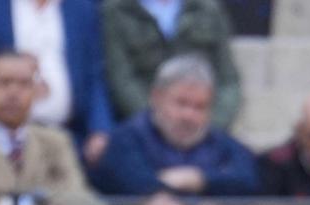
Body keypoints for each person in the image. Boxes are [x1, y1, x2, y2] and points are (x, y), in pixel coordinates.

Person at [91, 55, 259, 205]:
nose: (189, 116)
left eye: (199, 107)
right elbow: (142, 188)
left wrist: (197, 179)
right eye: (181, 103)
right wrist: (200, 203)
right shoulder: (125, 140)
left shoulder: (221, 144)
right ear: (156, 97)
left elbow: (249, 181)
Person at [0, 0, 113, 163]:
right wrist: (6, 66)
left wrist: (99, 128)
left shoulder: (81, 7)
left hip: (69, 138)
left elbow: (93, 73)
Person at [0, 49, 85, 205]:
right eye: (4, 83)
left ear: (37, 92)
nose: (14, 92)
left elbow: (73, 195)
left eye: (24, 84)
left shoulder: (57, 142)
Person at [102, 0, 241, 131]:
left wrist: (212, 125)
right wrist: (156, 124)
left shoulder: (207, 8)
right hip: (141, 131)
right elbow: (121, 78)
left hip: (204, 130)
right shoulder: (117, 10)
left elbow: (228, 80)